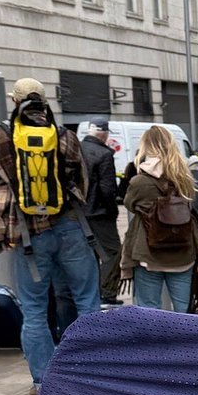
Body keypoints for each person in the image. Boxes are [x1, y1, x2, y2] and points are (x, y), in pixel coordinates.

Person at [0, 76, 100, 395]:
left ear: (14, 101)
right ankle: (89, 374)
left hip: (29, 235)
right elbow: (83, 183)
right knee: (87, 302)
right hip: (70, 227)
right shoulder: (64, 135)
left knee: (33, 311)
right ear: (45, 102)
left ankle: (43, 383)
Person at [123, 126, 198, 311]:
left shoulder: (140, 181)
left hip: (149, 253)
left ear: (146, 147)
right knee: (183, 310)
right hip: (183, 252)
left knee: (149, 310)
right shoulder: (184, 178)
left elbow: (129, 204)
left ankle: (157, 332)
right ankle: (182, 331)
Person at [80, 118, 122, 304]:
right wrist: (113, 211)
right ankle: (107, 294)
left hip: (78, 212)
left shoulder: (77, 148)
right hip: (99, 212)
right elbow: (107, 189)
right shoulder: (104, 154)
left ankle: (91, 295)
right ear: (104, 134)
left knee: (88, 255)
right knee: (112, 252)